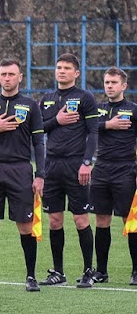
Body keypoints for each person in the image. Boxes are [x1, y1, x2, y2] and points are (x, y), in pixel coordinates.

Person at [0, 59, 45, 292]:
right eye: (3, 74)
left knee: (25, 226)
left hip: (20, 170)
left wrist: (40, 175)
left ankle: (31, 276)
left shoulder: (30, 105)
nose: (7, 78)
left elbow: (39, 142)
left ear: (20, 78)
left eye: (11, 74)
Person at [38, 53, 98, 286]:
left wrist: (86, 162)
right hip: (52, 166)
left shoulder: (86, 98)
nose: (61, 71)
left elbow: (93, 132)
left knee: (81, 219)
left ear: (76, 73)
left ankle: (88, 272)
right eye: (58, 67)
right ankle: (58, 273)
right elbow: (40, 129)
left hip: (76, 165)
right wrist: (57, 120)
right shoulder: (47, 98)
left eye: (66, 68)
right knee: (54, 220)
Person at [91, 68, 137, 286]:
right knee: (101, 220)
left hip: (125, 170)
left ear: (123, 86)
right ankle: (101, 271)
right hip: (100, 169)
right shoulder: (98, 109)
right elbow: (85, 129)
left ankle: (136, 271)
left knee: (131, 221)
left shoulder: (133, 110)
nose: (109, 86)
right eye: (107, 82)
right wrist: (108, 124)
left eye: (114, 82)